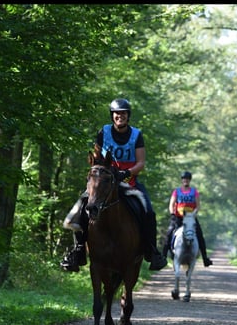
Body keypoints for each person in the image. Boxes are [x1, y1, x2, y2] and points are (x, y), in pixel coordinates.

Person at [60, 98, 168, 272]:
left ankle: (152, 252)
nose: (120, 116)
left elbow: (141, 162)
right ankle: (78, 251)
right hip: (104, 184)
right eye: (117, 113)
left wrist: (126, 172)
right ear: (112, 116)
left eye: (123, 113)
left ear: (128, 116)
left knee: (149, 211)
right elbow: (96, 159)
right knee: (80, 210)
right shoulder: (104, 132)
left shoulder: (136, 135)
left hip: (129, 182)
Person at [161, 171, 213, 267]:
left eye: (187, 179)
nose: (186, 180)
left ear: (189, 180)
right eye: (184, 179)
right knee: (169, 233)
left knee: (200, 235)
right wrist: (172, 214)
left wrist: (193, 214)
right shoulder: (176, 191)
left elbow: (198, 206)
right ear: (182, 180)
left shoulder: (194, 192)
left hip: (190, 218)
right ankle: (162, 257)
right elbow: (171, 204)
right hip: (178, 218)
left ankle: (205, 258)